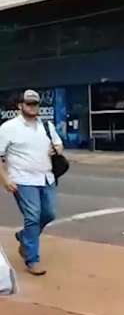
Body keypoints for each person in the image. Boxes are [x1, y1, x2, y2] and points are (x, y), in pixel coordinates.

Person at [0, 90, 63, 276]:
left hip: (46, 177)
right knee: (33, 216)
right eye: (29, 103)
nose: (33, 107)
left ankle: (25, 236)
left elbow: (59, 144)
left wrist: (56, 149)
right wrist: (5, 179)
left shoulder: (46, 125)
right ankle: (32, 259)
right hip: (22, 180)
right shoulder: (8, 128)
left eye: (35, 103)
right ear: (20, 106)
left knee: (49, 214)